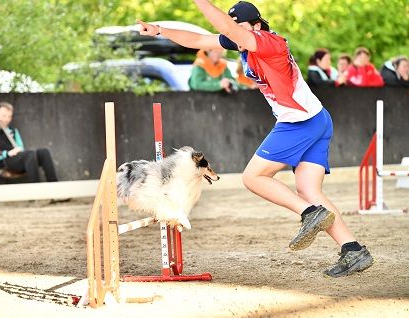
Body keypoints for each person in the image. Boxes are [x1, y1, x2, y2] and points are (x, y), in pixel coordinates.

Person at [138, 0, 373, 277]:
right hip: (317, 119)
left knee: (253, 178)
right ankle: (353, 250)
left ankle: (310, 213)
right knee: (310, 191)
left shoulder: (269, 42)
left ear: (257, 26)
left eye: (240, 26)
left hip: (300, 123)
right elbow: (199, 39)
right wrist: (159, 29)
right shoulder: (243, 42)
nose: (234, 32)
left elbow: (228, 30)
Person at [0, 102, 58, 183]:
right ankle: (36, 188)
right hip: (3, 163)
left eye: (9, 116)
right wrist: (7, 153)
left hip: (16, 160)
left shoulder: (12, 130)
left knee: (43, 152)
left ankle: (53, 184)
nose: (6, 119)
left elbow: (21, 148)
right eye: (4, 116)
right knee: (29, 154)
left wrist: (18, 149)